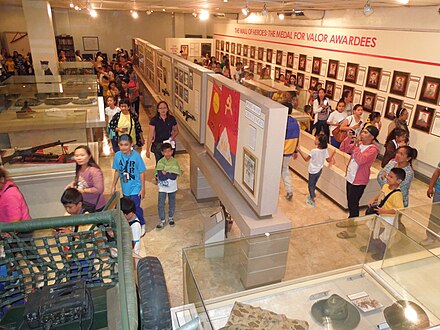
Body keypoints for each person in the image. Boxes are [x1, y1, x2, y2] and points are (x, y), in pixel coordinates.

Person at [337, 125, 380, 239]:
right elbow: (344, 149)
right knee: (350, 202)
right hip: (351, 177)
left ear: (372, 137)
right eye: (362, 132)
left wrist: (356, 146)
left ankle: (351, 231)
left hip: (359, 181)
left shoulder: (373, 150)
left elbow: (361, 160)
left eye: (365, 133)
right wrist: (348, 138)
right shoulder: (360, 144)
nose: (362, 134)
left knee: (353, 204)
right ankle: (350, 221)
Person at [365, 168, 406, 260]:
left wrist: (385, 211)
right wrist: (374, 199)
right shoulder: (385, 186)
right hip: (380, 215)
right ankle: (371, 247)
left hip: (388, 218)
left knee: (384, 237)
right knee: (374, 231)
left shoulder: (397, 194)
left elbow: (399, 209)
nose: (387, 178)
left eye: (391, 177)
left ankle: (381, 253)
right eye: (388, 175)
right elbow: (381, 195)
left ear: (399, 181)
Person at [111, 134, 146, 234]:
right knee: (127, 207)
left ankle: (141, 223)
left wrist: (143, 188)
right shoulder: (117, 156)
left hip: (136, 187)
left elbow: (141, 172)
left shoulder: (136, 156)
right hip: (125, 187)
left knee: (135, 207)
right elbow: (117, 171)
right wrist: (113, 185)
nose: (123, 147)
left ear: (131, 144)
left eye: (126, 145)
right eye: (121, 145)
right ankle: (132, 223)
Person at [297, 133, 336, 207]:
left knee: (310, 185)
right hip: (319, 170)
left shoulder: (314, 151)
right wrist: (333, 154)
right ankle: (313, 194)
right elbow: (328, 160)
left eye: (316, 139)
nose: (315, 140)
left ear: (319, 142)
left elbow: (306, 159)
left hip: (312, 171)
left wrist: (299, 151)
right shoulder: (325, 151)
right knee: (314, 183)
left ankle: (312, 198)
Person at [65, 145, 106, 213]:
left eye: (82, 155)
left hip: (96, 206)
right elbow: (81, 179)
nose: (79, 158)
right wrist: (72, 183)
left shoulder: (94, 171)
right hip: (85, 204)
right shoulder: (80, 168)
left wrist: (84, 191)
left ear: (89, 156)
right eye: (76, 156)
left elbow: (99, 189)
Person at [155, 143, 182, 229]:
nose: (167, 153)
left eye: (169, 151)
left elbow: (174, 177)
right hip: (162, 187)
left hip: (172, 187)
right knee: (161, 203)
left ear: (172, 151)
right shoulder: (160, 162)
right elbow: (161, 177)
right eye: (165, 152)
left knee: (172, 202)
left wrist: (165, 173)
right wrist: (169, 173)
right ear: (162, 153)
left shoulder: (175, 162)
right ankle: (162, 220)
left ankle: (171, 217)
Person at [281, 103, 300, 201]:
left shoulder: (281, 121)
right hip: (289, 151)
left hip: (279, 151)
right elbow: (298, 137)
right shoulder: (296, 122)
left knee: (277, 171)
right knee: (285, 170)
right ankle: (289, 190)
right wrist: (295, 150)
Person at [420, 162, 440, 246]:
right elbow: (437, 172)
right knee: (435, 215)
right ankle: (431, 237)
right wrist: (430, 187)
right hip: (439, 192)